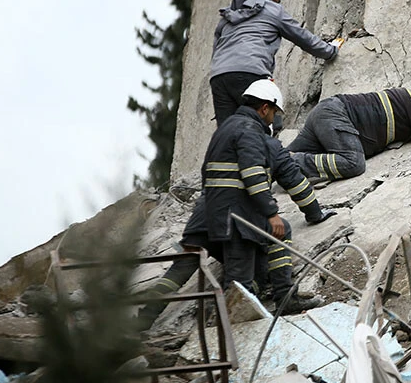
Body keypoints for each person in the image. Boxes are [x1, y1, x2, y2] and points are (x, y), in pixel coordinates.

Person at [136, 126, 336, 329]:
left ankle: (143, 320)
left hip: (202, 219)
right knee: (278, 235)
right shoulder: (271, 147)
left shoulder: (225, 145)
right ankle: (284, 297)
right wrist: (315, 214)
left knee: (178, 272)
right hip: (235, 222)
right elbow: (297, 185)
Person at [209, 0, 340, 125]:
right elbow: (302, 37)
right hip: (250, 72)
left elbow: (217, 49)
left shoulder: (228, 15)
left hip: (219, 77)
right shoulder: (273, 10)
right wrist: (330, 51)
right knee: (266, 123)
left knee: (227, 133)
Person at [288, 85, 411, 183]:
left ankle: (283, 161)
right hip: (337, 114)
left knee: (276, 159)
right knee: (353, 163)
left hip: (331, 116)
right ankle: (294, 161)